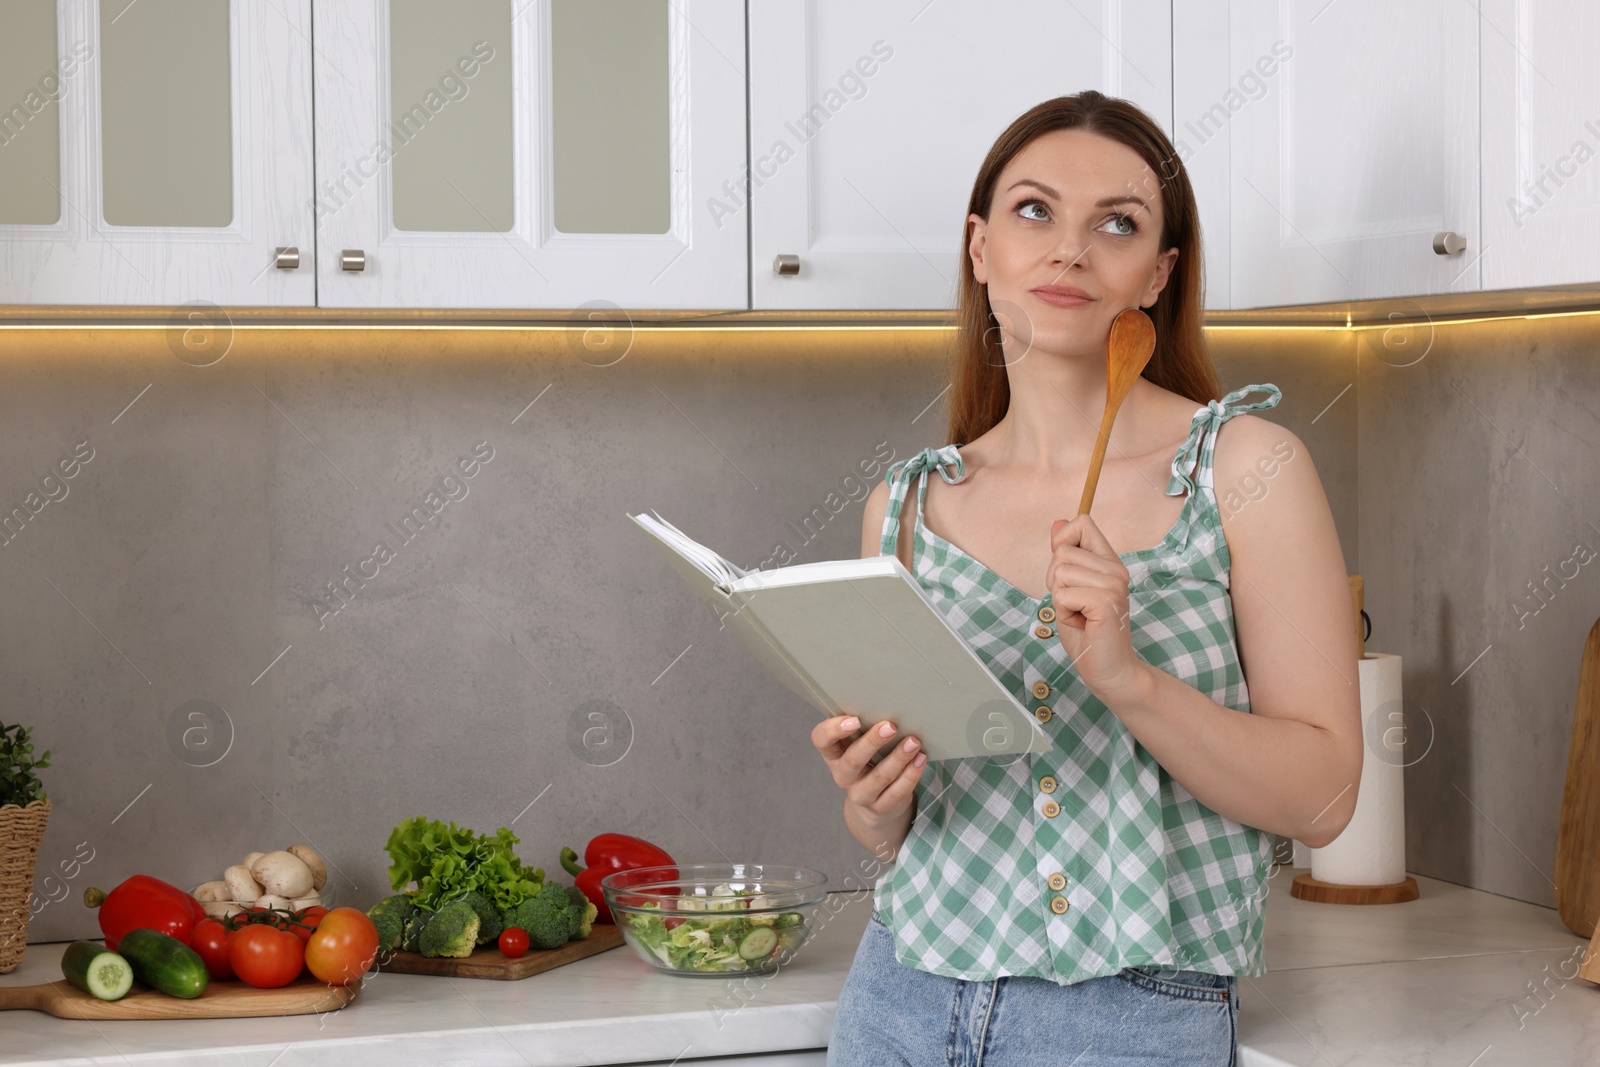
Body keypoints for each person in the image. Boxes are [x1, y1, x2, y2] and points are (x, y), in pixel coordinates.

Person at [816, 91, 1363, 1066]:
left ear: (1155, 274)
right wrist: (871, 798)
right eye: (1034, 211)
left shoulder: (1244, 468)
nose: (1069, 249)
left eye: (1115, 223)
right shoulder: (901, 509)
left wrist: (1126, 676)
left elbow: (1322, 799)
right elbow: (896, 829)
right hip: (897, 997)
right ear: (979, 249)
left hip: (1133, 1019)